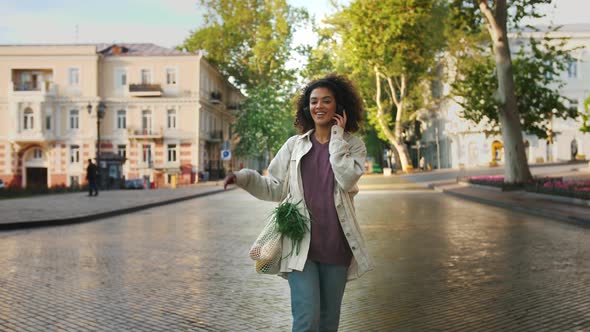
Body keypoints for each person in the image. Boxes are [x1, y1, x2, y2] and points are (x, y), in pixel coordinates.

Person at [224, 74, 373, 332]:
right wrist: (242, 177)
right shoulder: (295, 145)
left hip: (337, 245)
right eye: (314, 101)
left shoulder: (353, 146)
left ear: (339, 106)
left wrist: (336, 140)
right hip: (299, 245)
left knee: (328, 322)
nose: (319, 106)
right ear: (308, 107)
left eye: (327, 101)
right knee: (306, 319)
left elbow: (347, 180)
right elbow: (274, 188)